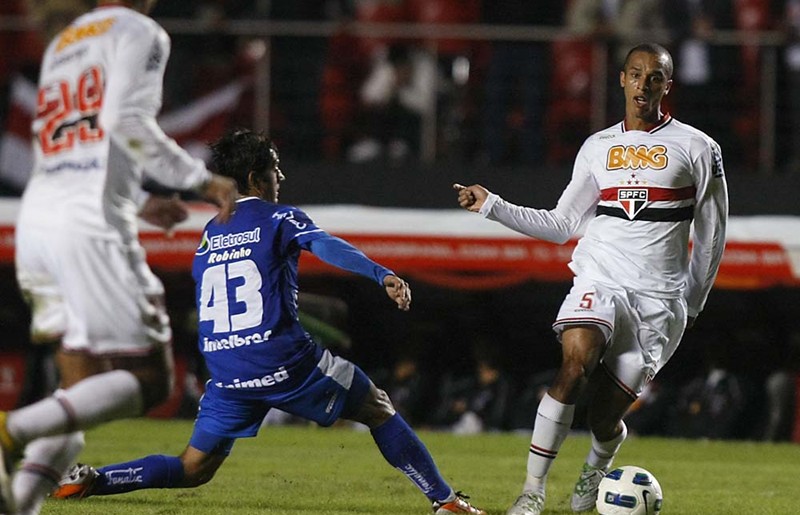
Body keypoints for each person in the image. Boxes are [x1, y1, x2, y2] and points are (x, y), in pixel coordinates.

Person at [50, 129, 486, 515]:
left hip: (225, 371)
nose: (282, 179)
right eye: (276, 170)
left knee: (193, 468)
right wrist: (382, 273)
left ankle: (92, 480)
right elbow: (327, 245)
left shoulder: (212, 231)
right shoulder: (279, 216)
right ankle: (446, 501)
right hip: (280, 359)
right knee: (378, 407)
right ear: (258, 177)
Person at [454, 43, 728, 515]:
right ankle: (532, 490)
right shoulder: (598, 147)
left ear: (667, 84)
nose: (644, 84)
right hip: (599, 278)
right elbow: (562, 224)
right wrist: (492, 205)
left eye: (655, 76)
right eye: (636, 74)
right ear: (621, 79)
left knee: (604, 417)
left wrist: (694, 303)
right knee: (573, 365)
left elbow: (711, 235)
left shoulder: (698, 148)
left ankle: (595, 470)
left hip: (658, 302)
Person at [0, 0, 238, 513]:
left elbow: (72, 147)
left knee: (76, 398)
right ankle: (9, 430)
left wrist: (139, 199)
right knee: (153, 379)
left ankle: (18, 505)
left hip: (39, 221)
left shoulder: (65, 41)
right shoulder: (138, 29)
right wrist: (202, 180)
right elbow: (123, 121)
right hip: (87, 227)